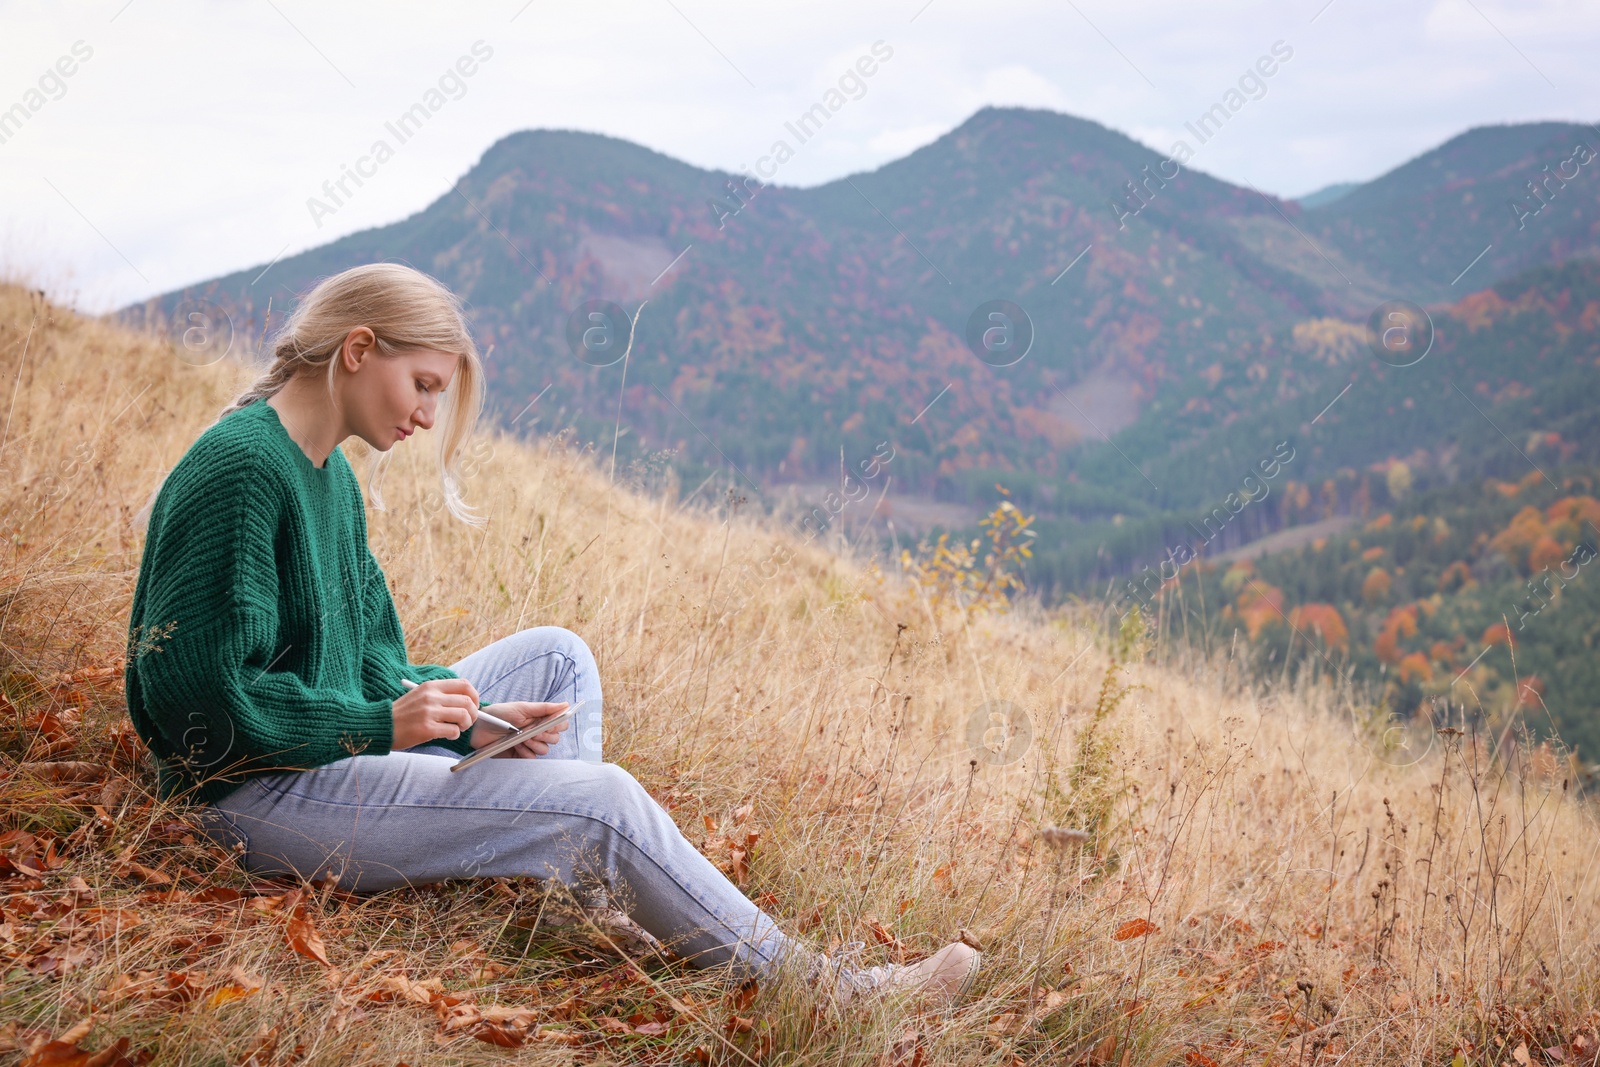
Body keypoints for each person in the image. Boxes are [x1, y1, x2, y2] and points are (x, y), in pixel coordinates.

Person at [123, 262, 978, 1007]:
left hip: (318, 753)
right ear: (357, 348)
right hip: (250, 800)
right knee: (600, 799)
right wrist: (384, 726)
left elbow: (370, 655)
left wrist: (470, 720)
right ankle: (830, 990)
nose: (427, 414)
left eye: (437, 394)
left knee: (558, 655)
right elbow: (196, 702)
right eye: (422, 383)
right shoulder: (244, 469)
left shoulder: (328, 477)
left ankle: (595, 901)